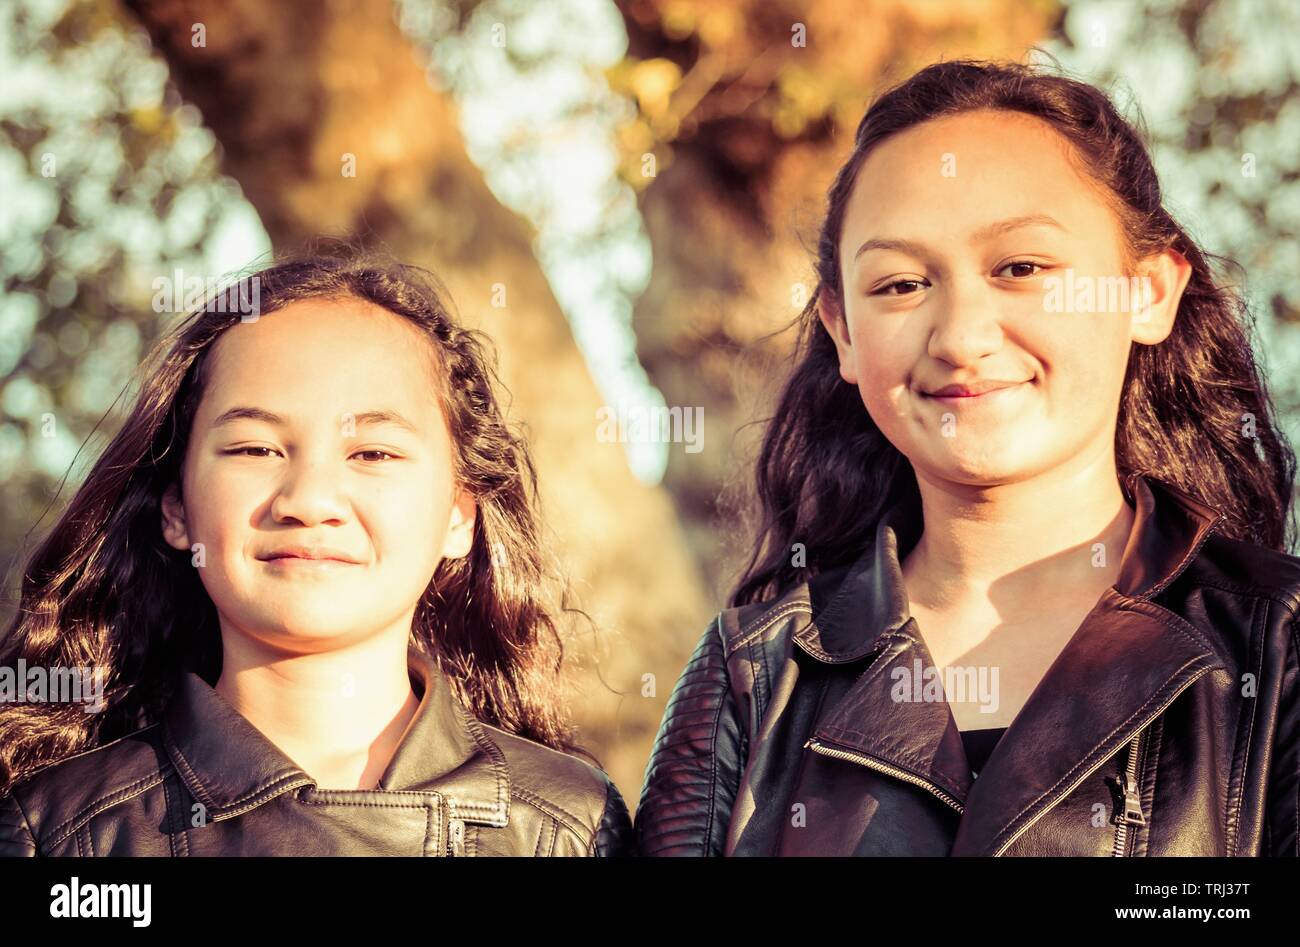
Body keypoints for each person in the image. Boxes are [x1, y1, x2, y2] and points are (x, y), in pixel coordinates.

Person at [635, 57, 1300, 856]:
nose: (959, 338)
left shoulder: (1277, 645)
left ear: (1147, 292)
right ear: (843, 331)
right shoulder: (752, 675)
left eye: (1021, 268)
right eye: (901, 285)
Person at [0, 254, 632, 856]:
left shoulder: (571, 825)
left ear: (459, 516)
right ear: (176, 511)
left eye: (374, 453)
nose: (308, 500)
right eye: (254, 449)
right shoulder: (59, 828)